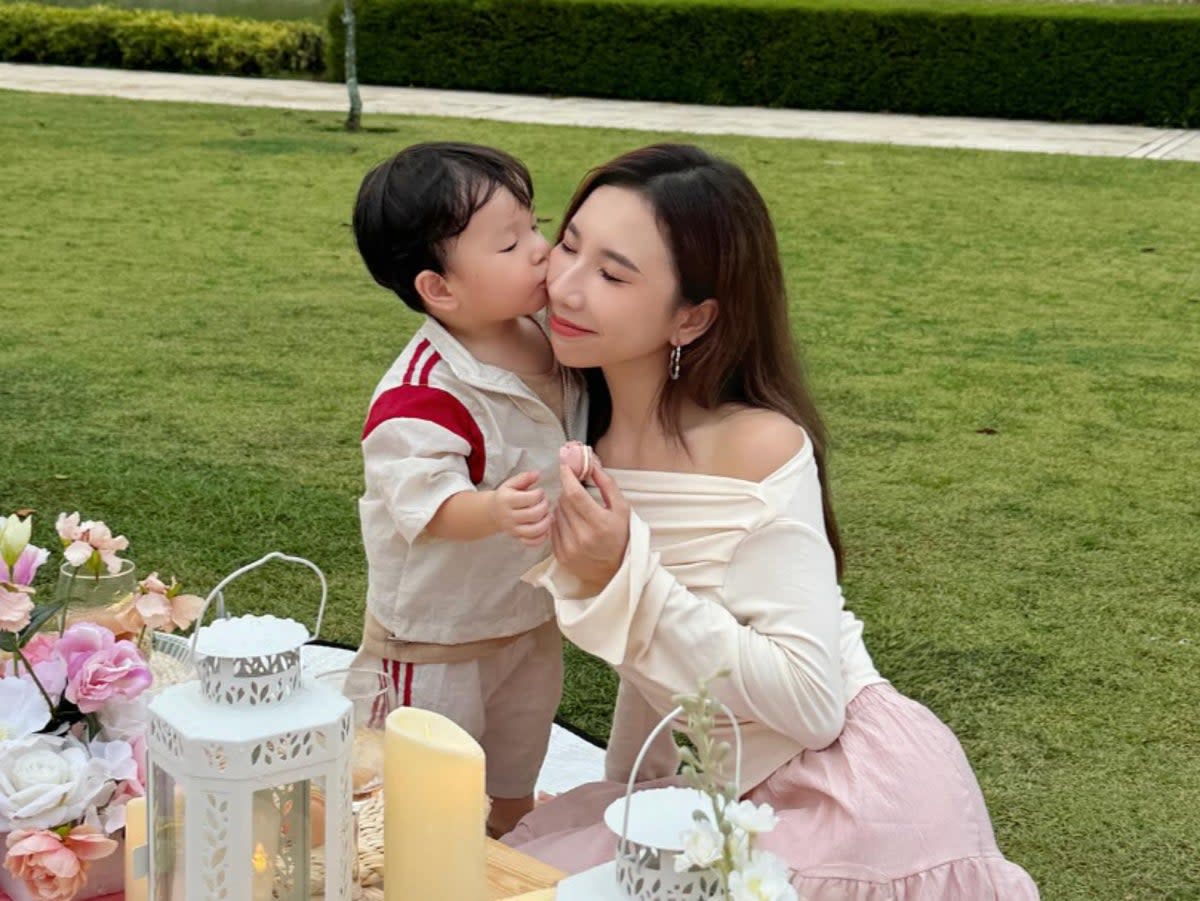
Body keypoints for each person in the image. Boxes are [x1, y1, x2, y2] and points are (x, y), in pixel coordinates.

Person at [505, 144, 1039, 897]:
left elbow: (811, 703)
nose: (564, 285)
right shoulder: (584, 439)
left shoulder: (756, 443)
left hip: (845, 795)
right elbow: (653, 665)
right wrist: (627, 789)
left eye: (613, 273)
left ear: (692, 316)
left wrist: (622, 572)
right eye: (568, 243)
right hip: (709, 782)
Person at [350, 142, 586, 836]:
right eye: (511, 243)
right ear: (440, 289)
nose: (541, 250)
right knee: (425, 786)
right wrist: (489, 508)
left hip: (525, 615)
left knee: (518, 753)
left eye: (535, 227)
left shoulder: (547, 337)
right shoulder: (424, 392)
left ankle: (511, 835)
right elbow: (425, 502)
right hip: (436, 641)